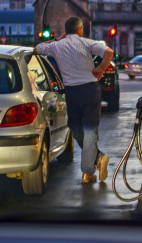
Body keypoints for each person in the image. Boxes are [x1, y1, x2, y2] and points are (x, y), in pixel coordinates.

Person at [34, 16, 113, 184]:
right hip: (91, 90)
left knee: (75, 128)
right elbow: (109, 52)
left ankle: (90, 170)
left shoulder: (57, 46)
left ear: (66, 31)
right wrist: (100, 69)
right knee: (90, 130)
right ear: (79, 29)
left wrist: (56, 39)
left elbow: (37, 49)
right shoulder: (86, 42)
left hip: (72, 93)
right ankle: (94, 163)